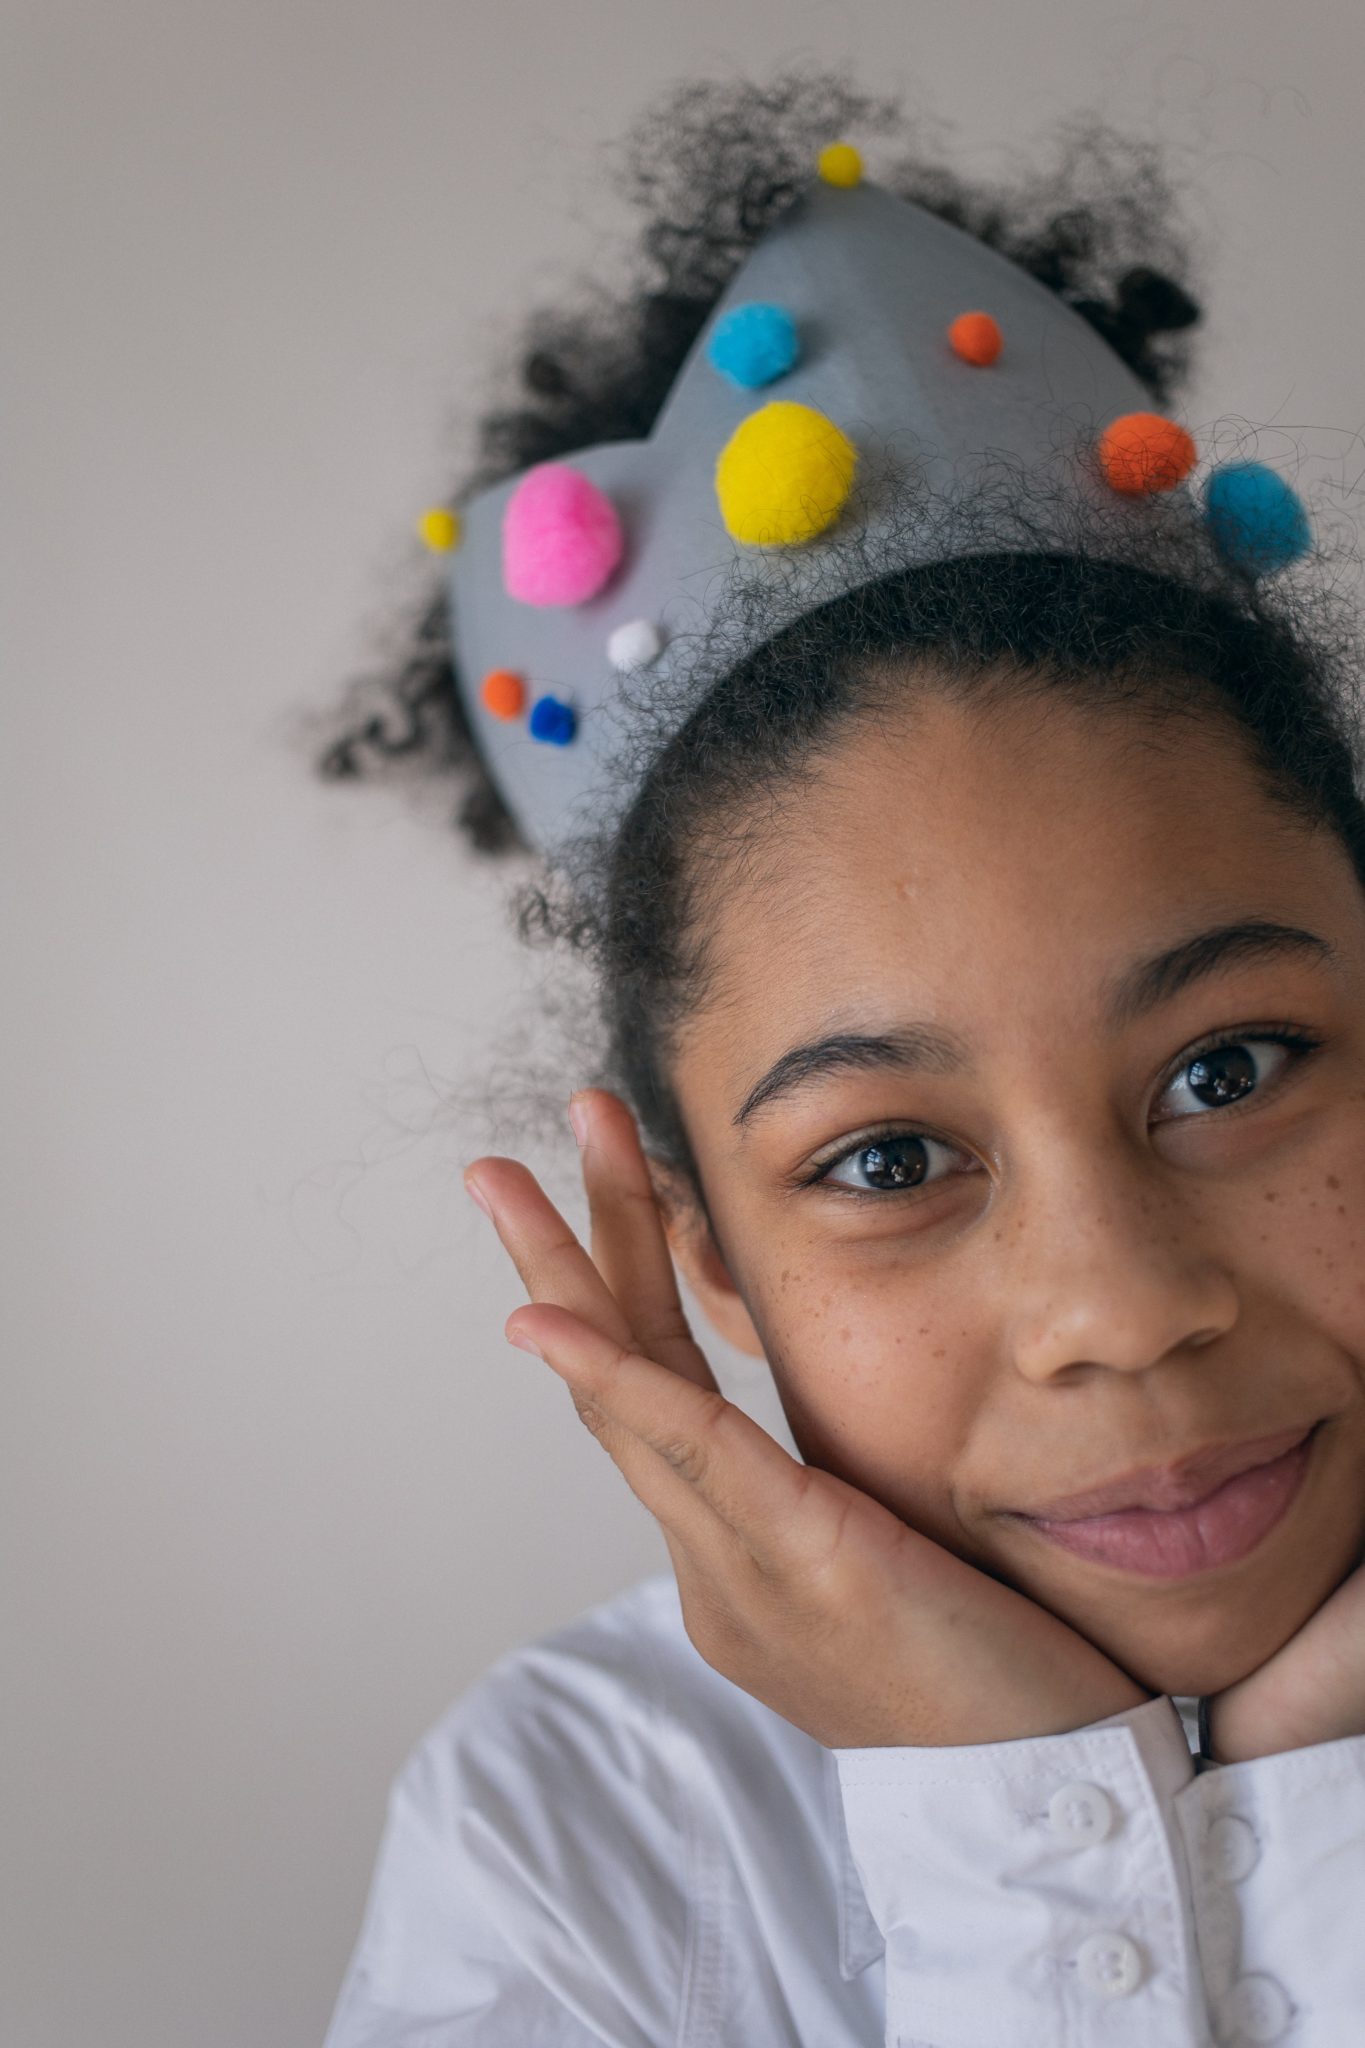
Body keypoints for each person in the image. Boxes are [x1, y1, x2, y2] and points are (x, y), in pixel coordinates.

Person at [320, 71, 1365, 2048]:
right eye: (886, 1159)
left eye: (1226, 1067)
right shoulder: (566, 1827)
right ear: (697, 1257)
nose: (1115, 1311)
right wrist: (1013, 1816)